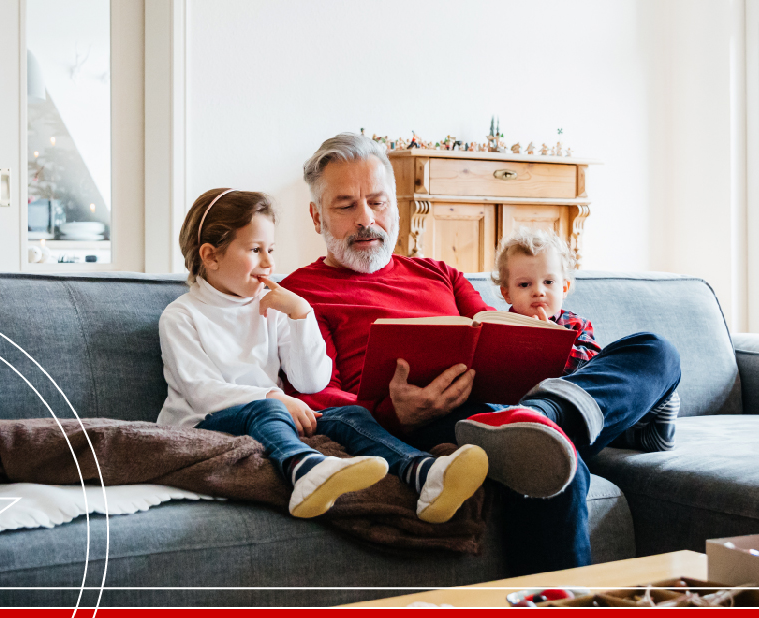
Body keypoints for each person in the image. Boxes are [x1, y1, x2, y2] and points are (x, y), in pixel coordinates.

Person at [279, 133, 681, 574]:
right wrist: (395, 415)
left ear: (395, 205)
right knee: (552, 463)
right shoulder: (298, 296)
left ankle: (546, 414)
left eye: (377, 202)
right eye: (346, 206)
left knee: (655, 350)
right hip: (438, 425)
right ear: (317, 216)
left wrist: (534, 342)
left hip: (510, 405)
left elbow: (496, 332)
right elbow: (318, 396)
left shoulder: (440, 274)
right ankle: (552, 424)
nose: (366, 219)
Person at [157, 188, 489, 523]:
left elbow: (310, 380)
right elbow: (201, 392)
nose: (269, 263)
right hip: (205, 423)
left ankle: (423, 472)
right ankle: (305, 470)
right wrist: (273, 396)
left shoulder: (272, 307)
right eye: (255, 250)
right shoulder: (181, 316)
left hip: (273, 415)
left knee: (349, 416)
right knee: (269, 409)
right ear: (211, 256)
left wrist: (302, 316)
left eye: (270, 249)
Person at [492, 227, 679, 452]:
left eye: (549, 282)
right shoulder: (498, 327)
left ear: (564, 288)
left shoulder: (575, 324)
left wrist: (556, 343)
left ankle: (641, 430)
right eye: (525, 284)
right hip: (516, 408)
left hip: (575, 403)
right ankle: (533, 420)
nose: (538, 291)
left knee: (655, 348)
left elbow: (594, 367)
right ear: (507, 293)